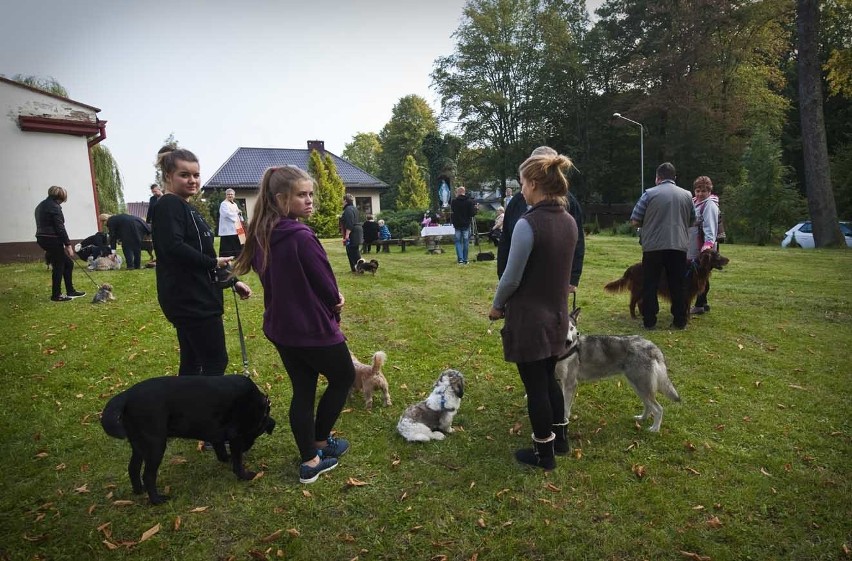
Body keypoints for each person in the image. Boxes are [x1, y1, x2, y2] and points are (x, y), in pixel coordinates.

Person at [232, 165, 354, 485]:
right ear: (280, 198)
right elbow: (326, 285)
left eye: (311, 194)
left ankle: (310, 459)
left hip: (282, 329)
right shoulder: (301, 236)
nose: (310, 200)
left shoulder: (261, 235)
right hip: (312, 328)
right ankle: (320, 442)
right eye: (302, 195)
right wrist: (336, 299)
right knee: (344, 377)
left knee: (303, 389)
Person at [488, 151, 578, 470]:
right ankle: (561, 438)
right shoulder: (569, 221)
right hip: (557, 317)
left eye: (523, 183)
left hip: (530, 319)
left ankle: (544, 455)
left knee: (536, 386)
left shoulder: (528, 224)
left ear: (536, 183)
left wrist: (497, 306)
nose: (521, 189)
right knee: (549, 380)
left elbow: (511, 277)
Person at [151, 145, 252, 376]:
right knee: (215, 362)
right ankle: (206, 409)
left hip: (197, 295)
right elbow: (173, 248)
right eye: (184, 175)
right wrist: (212, 263)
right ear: (168, 176)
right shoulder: (169, 205)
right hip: (191, 300)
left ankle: (186, 408)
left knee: (193, 360)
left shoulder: (185, 206)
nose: (192, 180)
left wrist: (231, 282)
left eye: (196, 175)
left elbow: (203, 253)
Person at [498, 147, 585, 293]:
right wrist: (503, 278)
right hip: (520, 281)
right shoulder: (517, 202)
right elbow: (506, 240)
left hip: (554, 280)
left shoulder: (569, 203)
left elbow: (577, 242)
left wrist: (573, 278)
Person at [630, 162, 695, 330]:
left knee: (650, 283)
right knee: (678, 283)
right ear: (675, 178)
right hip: (678, 245)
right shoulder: (688, 195)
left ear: (658, 178)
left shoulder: (648, 194)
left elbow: (635, 220)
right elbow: (693, 220)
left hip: (653, 246)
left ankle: (650, 320)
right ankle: (680, 320)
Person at [34, 185, 85, 302]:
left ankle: (70, 291)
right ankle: (56, 295)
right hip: (52, 238)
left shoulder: (40, 205)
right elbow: (60, 228)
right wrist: (68, 245)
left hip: (42, 238)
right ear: (61, 197)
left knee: (68, 264)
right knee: (59, 266)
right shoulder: (55, 207)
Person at [688, 176, 720, 315]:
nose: (700, 194)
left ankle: (700, 304)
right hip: (693, 243)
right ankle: (703, 302)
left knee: (701, 275)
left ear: (709, 191)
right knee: (701, 274)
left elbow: (710, 228)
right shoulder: (694, 202)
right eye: (698, 190)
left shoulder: (710, 205)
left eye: (703, 191)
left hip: (703, 247)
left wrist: (707, 247)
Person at [450, 186, 477, 265]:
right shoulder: (469, 202)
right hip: (466, 224)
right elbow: (472, 214)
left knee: (458, 241)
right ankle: (465, 259)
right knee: (465, 241)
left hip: (457, 224)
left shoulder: (454, 201)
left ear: (458, 192)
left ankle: (460, 259)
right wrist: (476, 209)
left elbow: (453, 211)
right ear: (464, 192)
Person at [218, 188, 244, 258]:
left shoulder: (234, 204)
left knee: (239, 240)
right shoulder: (224, 204)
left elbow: (237, 213)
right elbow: (226, 214)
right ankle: (228, 255)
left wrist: (239, 214)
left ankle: (239, 255)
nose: (230, 196)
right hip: (228, 228)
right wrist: (236, 213)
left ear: (234, 196)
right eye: (228, 194)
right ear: (226, 195)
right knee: (229, 242)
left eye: (231, 194)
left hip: (237, 225)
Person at [341, 193, 363, 272]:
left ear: (345, 201)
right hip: (357, 230)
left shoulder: (348, 210)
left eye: (343, 201)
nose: (342, 202)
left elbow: (350, 223)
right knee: (350, 250)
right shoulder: (354, 208)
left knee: (353, 250)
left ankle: (361, 268)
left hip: (353, 232)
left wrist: (347, 235)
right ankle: (354, 268)